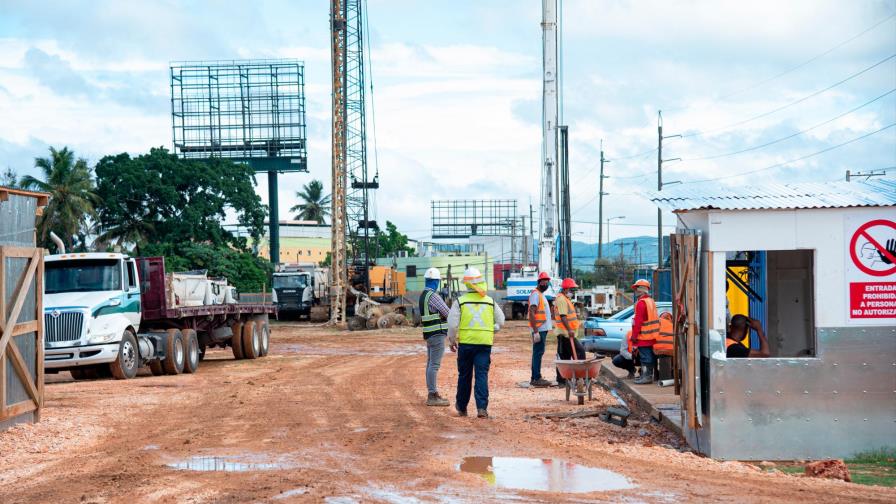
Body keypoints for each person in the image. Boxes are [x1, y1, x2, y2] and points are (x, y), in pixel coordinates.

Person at [447, 267, 505, 419]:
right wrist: (492, 330)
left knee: (464, 376)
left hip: (466, 344)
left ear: (466, 284)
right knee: (481, 376)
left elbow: (452, 325)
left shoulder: (460, 302)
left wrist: (452, 340)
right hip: (484, 344)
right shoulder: (490, 301)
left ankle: (461, 408)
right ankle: (481, 409)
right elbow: (501, 321)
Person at [419, 267, 451, 407]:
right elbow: (448, 313)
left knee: (430, 364)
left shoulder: (423, 295)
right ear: (436, 281)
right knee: (434, 365)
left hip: (429, 334)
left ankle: (432, 393)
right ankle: (432, 395)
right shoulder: (434, 296)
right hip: (437, 334)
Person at [553, 278, 587, 385]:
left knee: (564, 357)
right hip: (565, 334)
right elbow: (563, 316)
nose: (573, 291)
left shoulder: (565, 298)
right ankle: (579, 378)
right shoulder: (562, 299)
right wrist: (569, 329)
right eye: (571, 289)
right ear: (566, 289)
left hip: (566, 333)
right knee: (579, 352)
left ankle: (563, 380)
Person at [630, 279, 659, 384]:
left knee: (645, 357)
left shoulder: (641, 303)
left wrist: (634, 336)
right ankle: (646, 376)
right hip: (651, 335)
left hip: (644, 336)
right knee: (649, 356)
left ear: (641, 290)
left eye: (636, 288)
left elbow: (638, 322)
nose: (635, 291)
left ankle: (647, 377)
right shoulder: (650, 301)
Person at [527, 272, 553, 388]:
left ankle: (535, 377)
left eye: (547, 282)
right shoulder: (535, 294)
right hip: (539, 329)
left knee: (538, 352)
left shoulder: (541, 294)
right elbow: (532, 313)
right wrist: (536, 331)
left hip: (542, 328)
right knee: (538, 353)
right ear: (539, 282)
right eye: (543, 281)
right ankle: (536, 378)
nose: (545, 284)